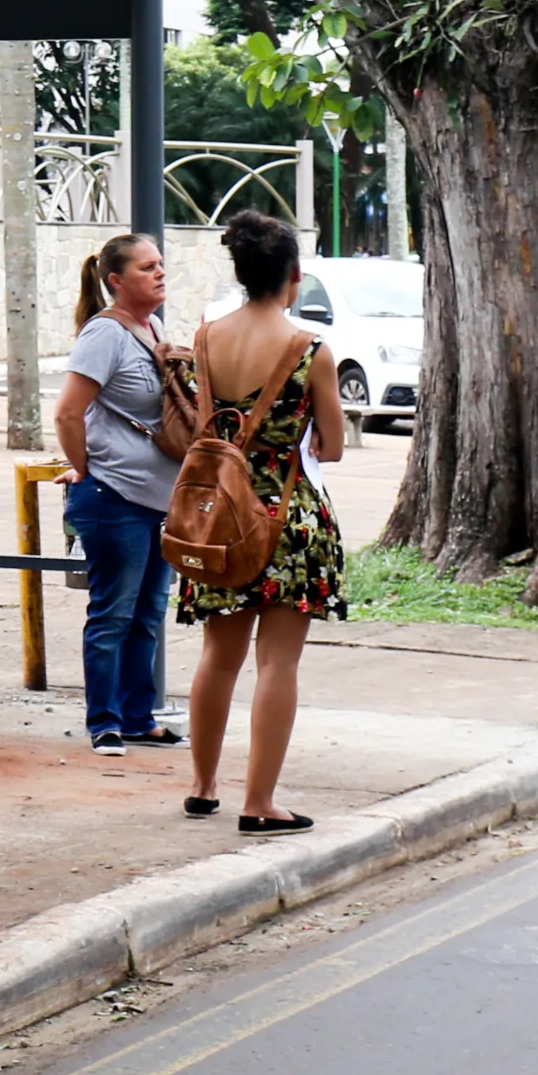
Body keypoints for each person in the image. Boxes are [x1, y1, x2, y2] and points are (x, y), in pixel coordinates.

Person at [177, 210, 346, 837]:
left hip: (218, 516)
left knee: (217, 657)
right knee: (277, 664)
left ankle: (202, 787)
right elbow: (332, 446)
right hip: (286, 518)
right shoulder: (310, 350)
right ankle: (260, 801)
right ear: (293, 276)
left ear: (242, 272)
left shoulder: (205, 339)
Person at [52, 232, 188, 756]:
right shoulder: (103, 334)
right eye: (146, 267)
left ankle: (138, 717)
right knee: (113, 613)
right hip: (114, 497)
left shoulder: (153, 328)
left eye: (160, 264)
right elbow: (68, 413)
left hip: (158, 500)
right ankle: (104, 722)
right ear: (116, 280)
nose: (159, 273)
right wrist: (84, 470)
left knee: (148, 613)